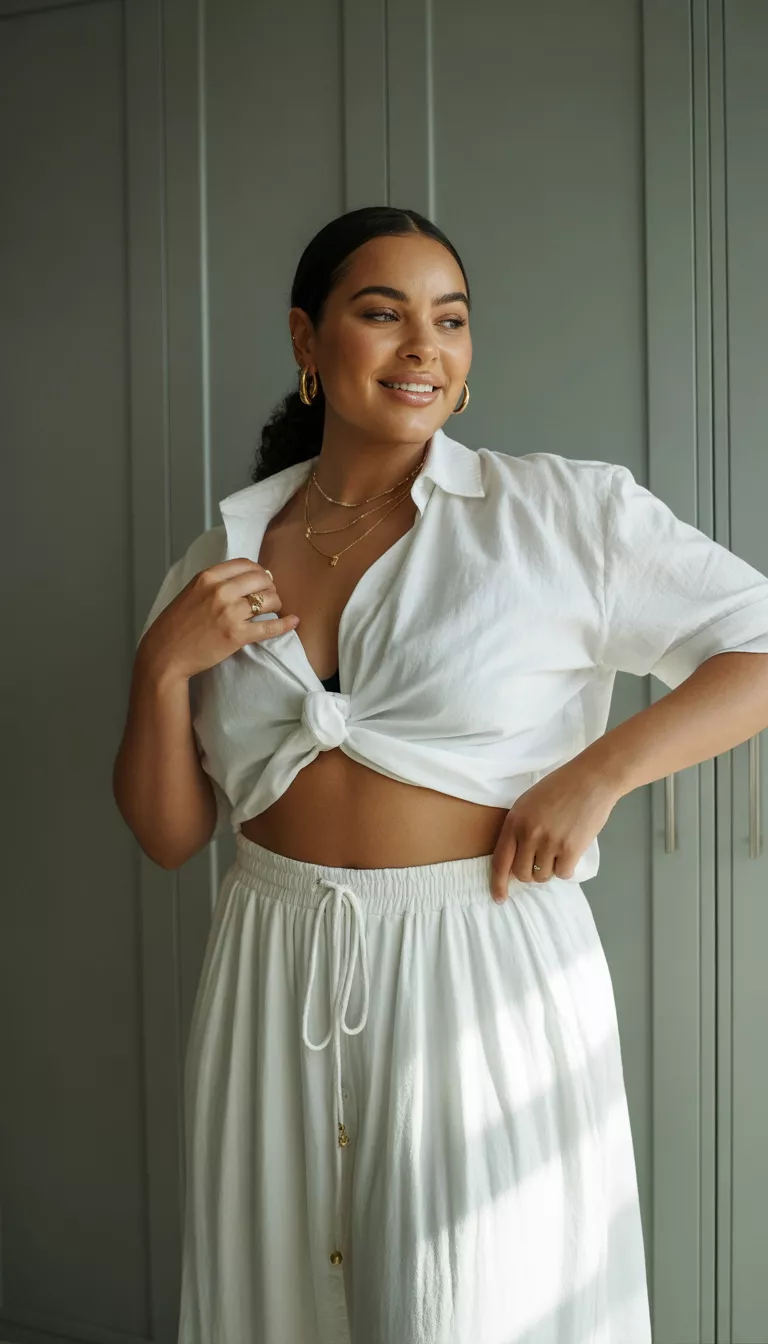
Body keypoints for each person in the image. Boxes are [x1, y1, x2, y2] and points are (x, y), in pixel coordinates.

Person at [114, 206, 768, 1343]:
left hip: (482, 962)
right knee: (275, 1299)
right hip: (271, 964)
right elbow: (172, 834)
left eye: (450, 320)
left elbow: (755, 646)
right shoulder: (218, 554)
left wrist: (600, 774)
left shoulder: (560, 515)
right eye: (383, 314)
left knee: (476, 1299)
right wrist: (161, 667)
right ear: (307, 343)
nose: (424, 346)